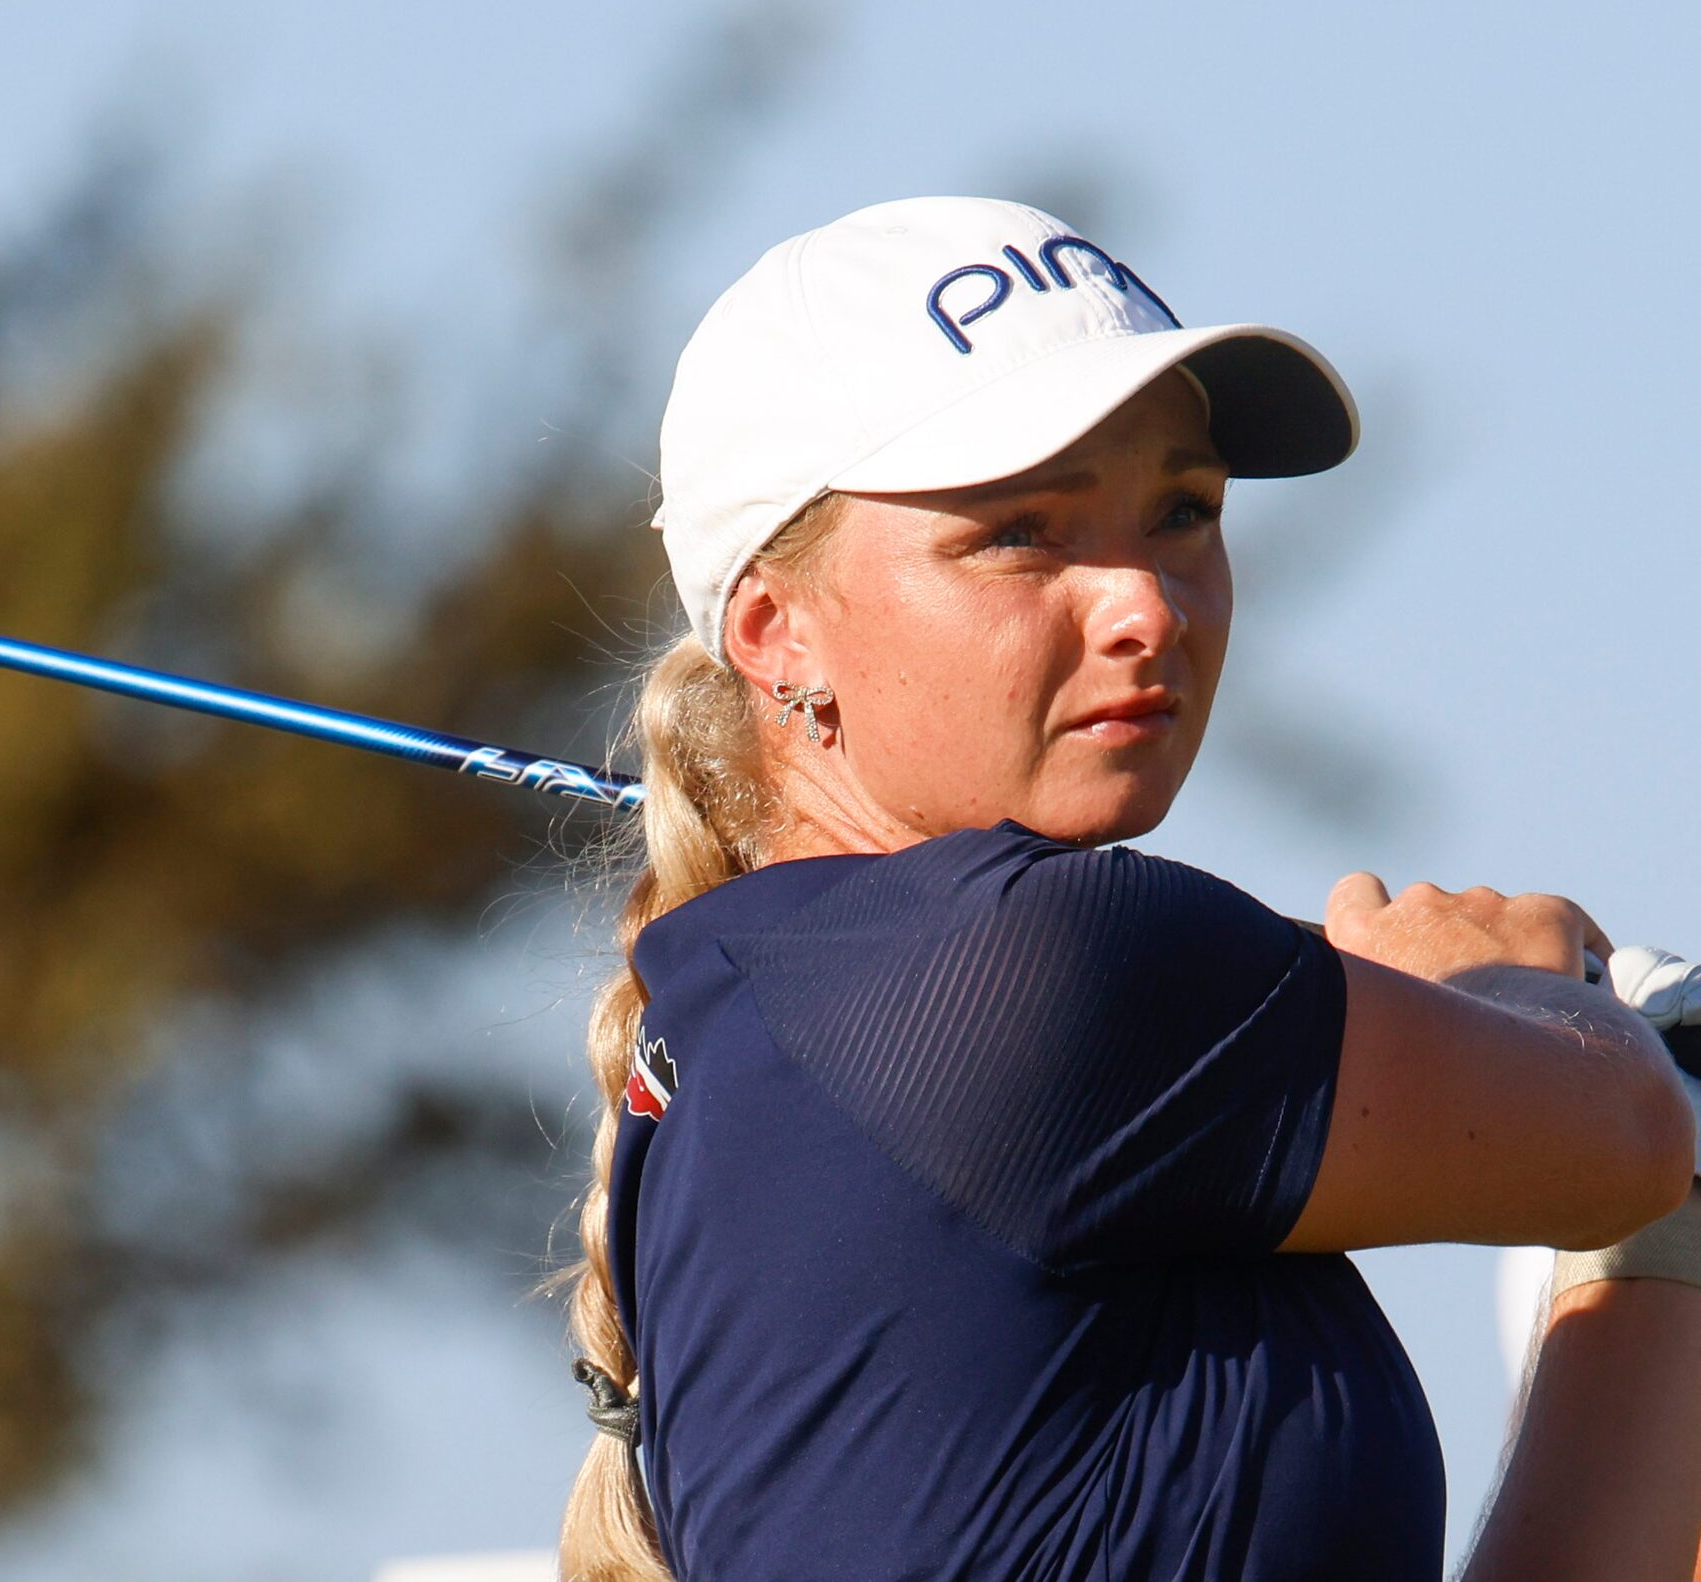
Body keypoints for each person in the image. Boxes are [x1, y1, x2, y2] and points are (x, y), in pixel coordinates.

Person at [558, 196, 1701, 1582]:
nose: (1148, 604)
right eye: (1019, 533)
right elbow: (1624, 1130)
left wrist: (1657, 1239)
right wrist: (1502, 983)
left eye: (1183, 511)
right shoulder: (1043, 968)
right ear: (774, 629)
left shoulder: (752, 1027)